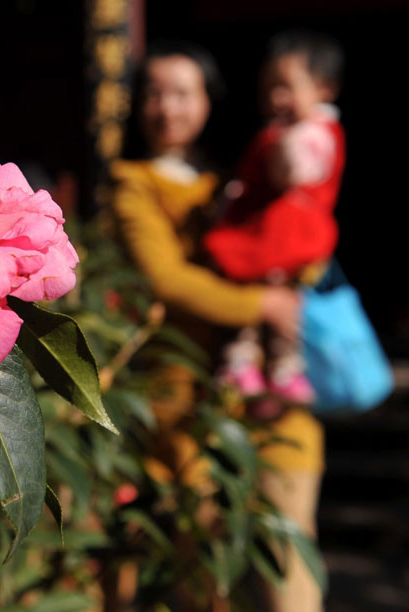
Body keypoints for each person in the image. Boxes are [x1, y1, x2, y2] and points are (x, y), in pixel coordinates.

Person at [110, 41, 324, 611]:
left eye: (182, 93)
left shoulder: (237, 174)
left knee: (288, 531)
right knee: (199, 550)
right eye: (153, 93)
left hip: (261, 389)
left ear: (208, 101)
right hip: (184, 394)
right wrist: (264, 306)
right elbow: (167, 279)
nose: (166, 107)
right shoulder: (132, 182)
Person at [204, 31, 346, 406]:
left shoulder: (310, 135)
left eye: (286, 87)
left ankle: (275, 369)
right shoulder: (288, 130)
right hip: (269, 232)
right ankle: (256, 366)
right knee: (264, 301)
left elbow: (297, 169)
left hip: (282, 237)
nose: (276, 98)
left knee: (270, 301)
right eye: (269, 88)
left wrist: (286, 152)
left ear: (324, 89)